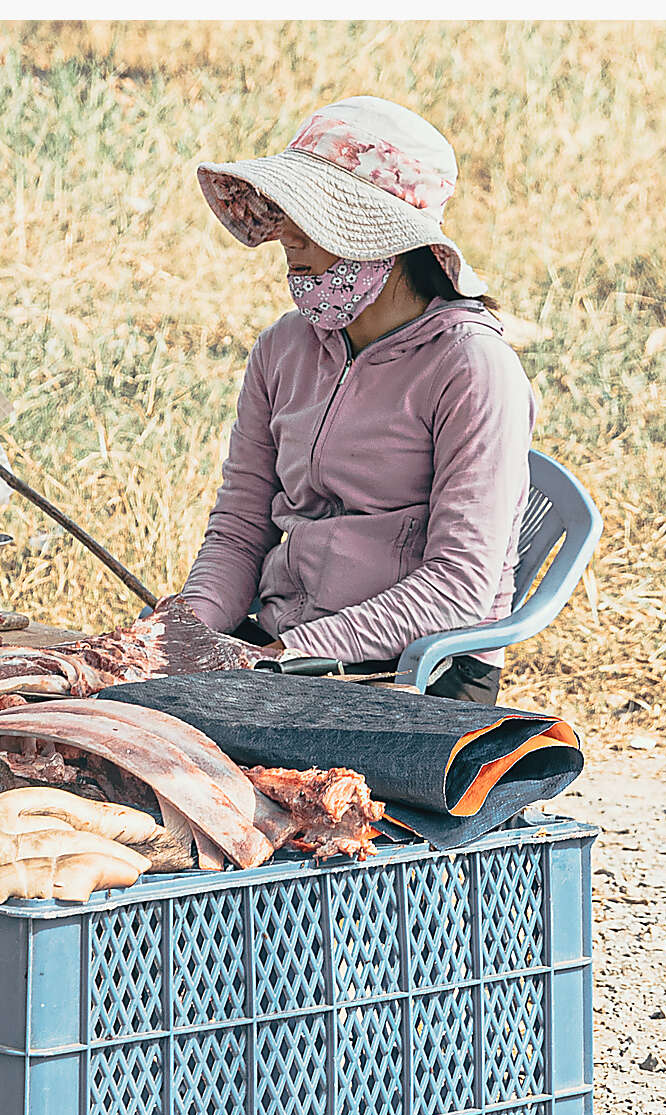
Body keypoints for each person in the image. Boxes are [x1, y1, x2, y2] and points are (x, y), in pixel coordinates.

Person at [178, 96, 534, 705]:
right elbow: (240, 529)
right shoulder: (284, 349)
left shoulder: (472, 368)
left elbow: (459, 585)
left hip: (413, 668)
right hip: (283, 644)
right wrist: (188, 627)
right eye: (288, 210)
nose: (284, 233)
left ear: (387, 241)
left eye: (310, 215)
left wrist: (288, 659)